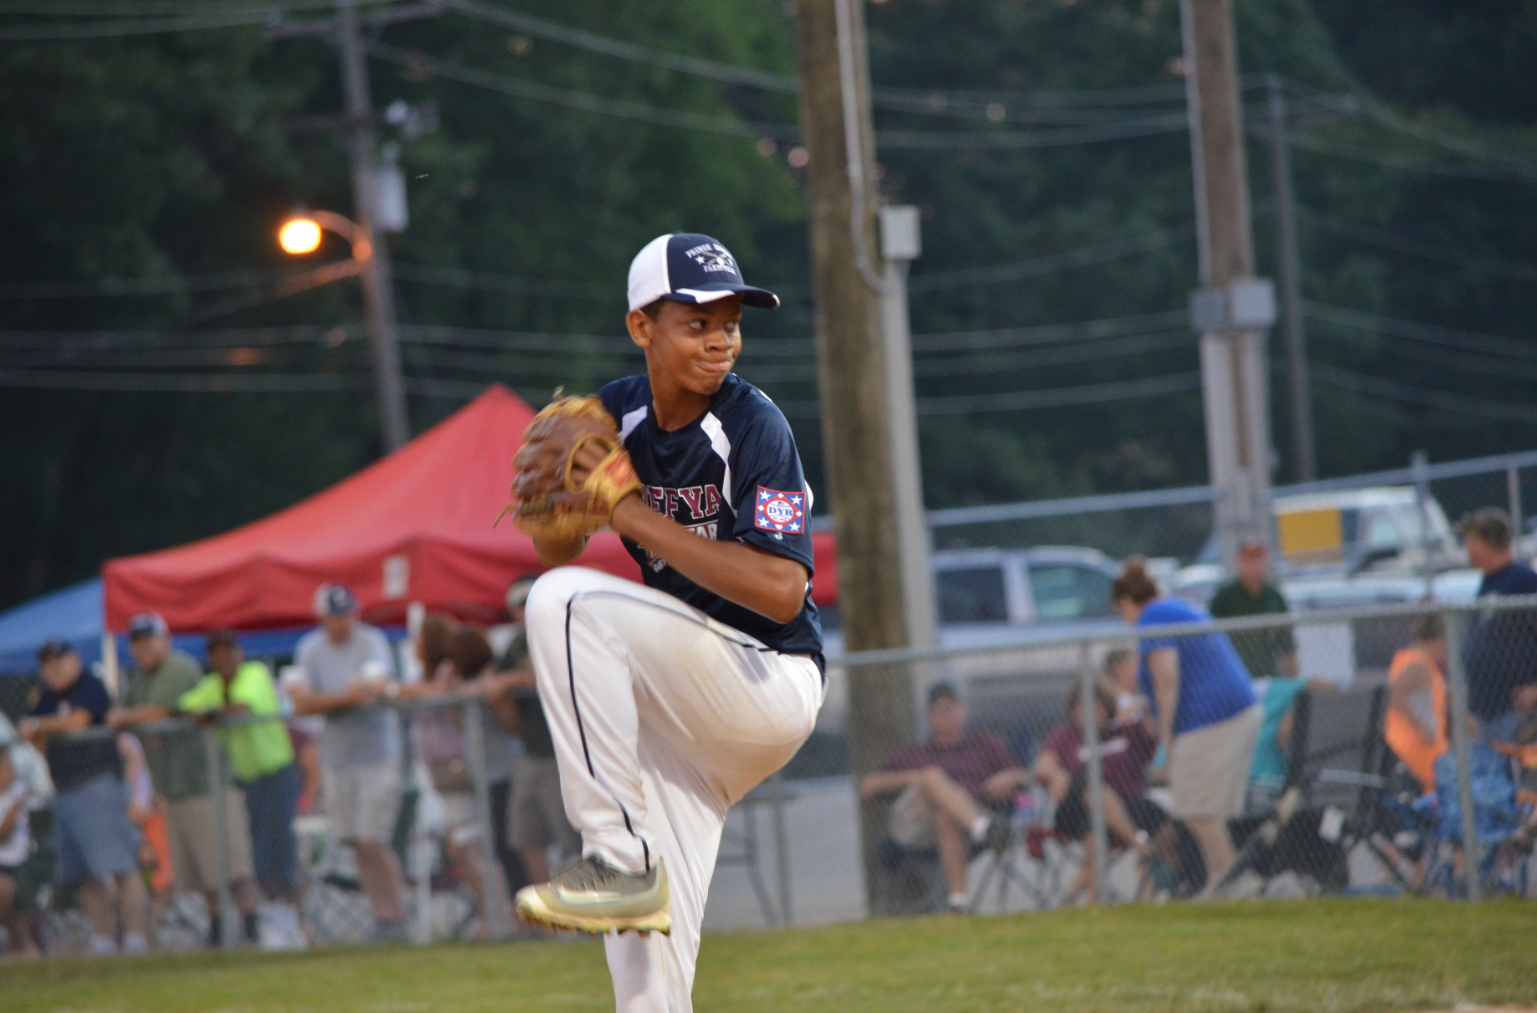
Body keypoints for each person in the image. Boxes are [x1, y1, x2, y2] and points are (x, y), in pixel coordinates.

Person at [511, 233, 825, 1012]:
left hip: (765, 677)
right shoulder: (616, 412)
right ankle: (627, 870)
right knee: (647, 980)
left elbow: (783, 590)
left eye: (730, 320)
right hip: (682, 727)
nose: (720, 337)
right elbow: (556, 547)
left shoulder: (755, 427)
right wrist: (554, 500)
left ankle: (615, 857)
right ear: (640, 327)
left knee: (568, 603)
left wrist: (628, 511)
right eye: (696, 320)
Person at [110, 612, 261, 946]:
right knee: (199, 870)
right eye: (137, 642)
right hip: (174, 789)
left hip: (206, 784)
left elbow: (157, 711)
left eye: (149, 640)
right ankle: (219, 929)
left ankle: (253, 928)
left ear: (166, 641)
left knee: (230, 864)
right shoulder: (139, 678)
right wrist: (128, 717)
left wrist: (129, 717)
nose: (143, 649)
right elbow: (121, 715)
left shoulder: (177, 667)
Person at [1112, 558, 1261, 891]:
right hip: (1232, 713)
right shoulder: (1172, 609)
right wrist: (1144, 704)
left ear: (1126, 602)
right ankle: (1220, 877)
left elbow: (1167, 677)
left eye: (1121, 611)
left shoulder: (1152, 616)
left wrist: (1166, 735)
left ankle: (1230, 878)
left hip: (1212, 718)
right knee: (1203, 806)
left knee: (1193, 805)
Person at [287, 583, 408, 944]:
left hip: (376, 755)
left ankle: (396, 914)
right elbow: (300, 704)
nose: (342, 622)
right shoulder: (310, 648)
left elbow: (368, 691)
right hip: (338, 758)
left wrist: (323, 700)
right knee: (355, 841)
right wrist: (341, 699)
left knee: (374, 840)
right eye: (334, 615)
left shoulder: (371, 641)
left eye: (346, 613)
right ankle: (382, 915)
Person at [20, 640, 149, 955]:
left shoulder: (90, 685)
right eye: (47, 662)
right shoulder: (47, 697)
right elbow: (33, 738)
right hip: (64, 789)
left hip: (97, 786)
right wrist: (45, 728)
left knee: (118, 865)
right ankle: (103, 938)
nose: (54, 667)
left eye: (60, 659)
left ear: (75, 660)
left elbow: (79, 721)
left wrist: (43, 726)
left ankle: (136, 937)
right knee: (83, 874)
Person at [179, 629, 306, 950]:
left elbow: (241, 707)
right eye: (215, 653)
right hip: (245, 780)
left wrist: (210, 715)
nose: (222, 659)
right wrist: (205, 713)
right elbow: (187, 706)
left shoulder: (255, 673)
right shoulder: (213, 684)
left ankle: (291, 921)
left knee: (276, 850)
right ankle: (274, 919)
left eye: (228, 651)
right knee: (253, 855)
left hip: (275, 774)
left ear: (239, 652)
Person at [860, 683, 1024, 912]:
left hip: (975, 813)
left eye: (952, 707)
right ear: (929, 716)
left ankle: (958, 902)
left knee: (946, 816)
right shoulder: (917, 754)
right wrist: (915, 778)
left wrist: (1009, 777)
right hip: (920, 830)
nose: (947, 714)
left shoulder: (986, 744)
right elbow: (868, 786)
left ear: (964, 711)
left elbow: (1026, 778)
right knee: (932, 776)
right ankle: (982, 829)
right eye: (940, 709)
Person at [1033, 678, 1165, 903]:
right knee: (1089, 787)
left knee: (1159, 818)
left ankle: (1150, 894)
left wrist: (1140, 705)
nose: (1089, 712)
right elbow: (1042, 767)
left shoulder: (1127, 730)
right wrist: (1057, 775)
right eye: (1081, 707)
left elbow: (1159, 729)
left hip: (1129, 805)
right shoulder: (1065, 736)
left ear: (1108, 707)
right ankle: (1137, 848)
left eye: (1096, 706)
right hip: (1079, 810)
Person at [482, 580, 578, 887]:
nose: (523, 613)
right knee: (525, 836)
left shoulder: (564, 633)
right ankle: (548, 912)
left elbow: (547, 679)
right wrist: (511, 684)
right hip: (532, 750)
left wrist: (512, 680)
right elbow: (492, 684)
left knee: (573, 838)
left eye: (529, 604)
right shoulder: (518, 643)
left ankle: (593, 911)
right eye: (518, 607)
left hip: (565, 752)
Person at [1456, 508, 1537, 743]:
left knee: (1515, 776)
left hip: (1515, 711)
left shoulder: (1523, 581)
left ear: (1482, 542)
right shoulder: (1488, 583)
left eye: (1469, 541)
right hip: (1486, 710)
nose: (1467, 548)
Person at [1208, 540, 1297, 681]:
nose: (1255, 566)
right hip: (1235, 675)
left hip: (1268, 673)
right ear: (1240, 562)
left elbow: (1287, 644)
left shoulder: (1273, 597)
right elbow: (1210, 640)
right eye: (1250, 560)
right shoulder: (1225, 598)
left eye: (1259, 559)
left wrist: (1294, 681)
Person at [1385, 614, 1451, 794]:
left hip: (1416, 750)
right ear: (1437, 640)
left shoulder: (1413, 660)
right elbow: (1395, 694)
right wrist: (1421, 726)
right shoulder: (1419, 664)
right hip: (1417, 751)